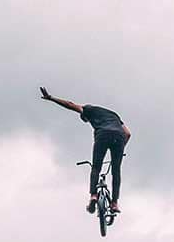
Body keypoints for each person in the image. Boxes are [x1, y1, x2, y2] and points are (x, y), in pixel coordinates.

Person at [39, 86, 130, 214]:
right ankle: (114, 203)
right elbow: (128, 133)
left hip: (103, 135)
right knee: (116, 171)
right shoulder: (114, 115)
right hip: (119, 137)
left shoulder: (88, 109)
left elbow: (70, 104)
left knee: (96, 167)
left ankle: (93, 195)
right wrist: (119, 150)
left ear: (85, 116)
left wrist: (51, 98)